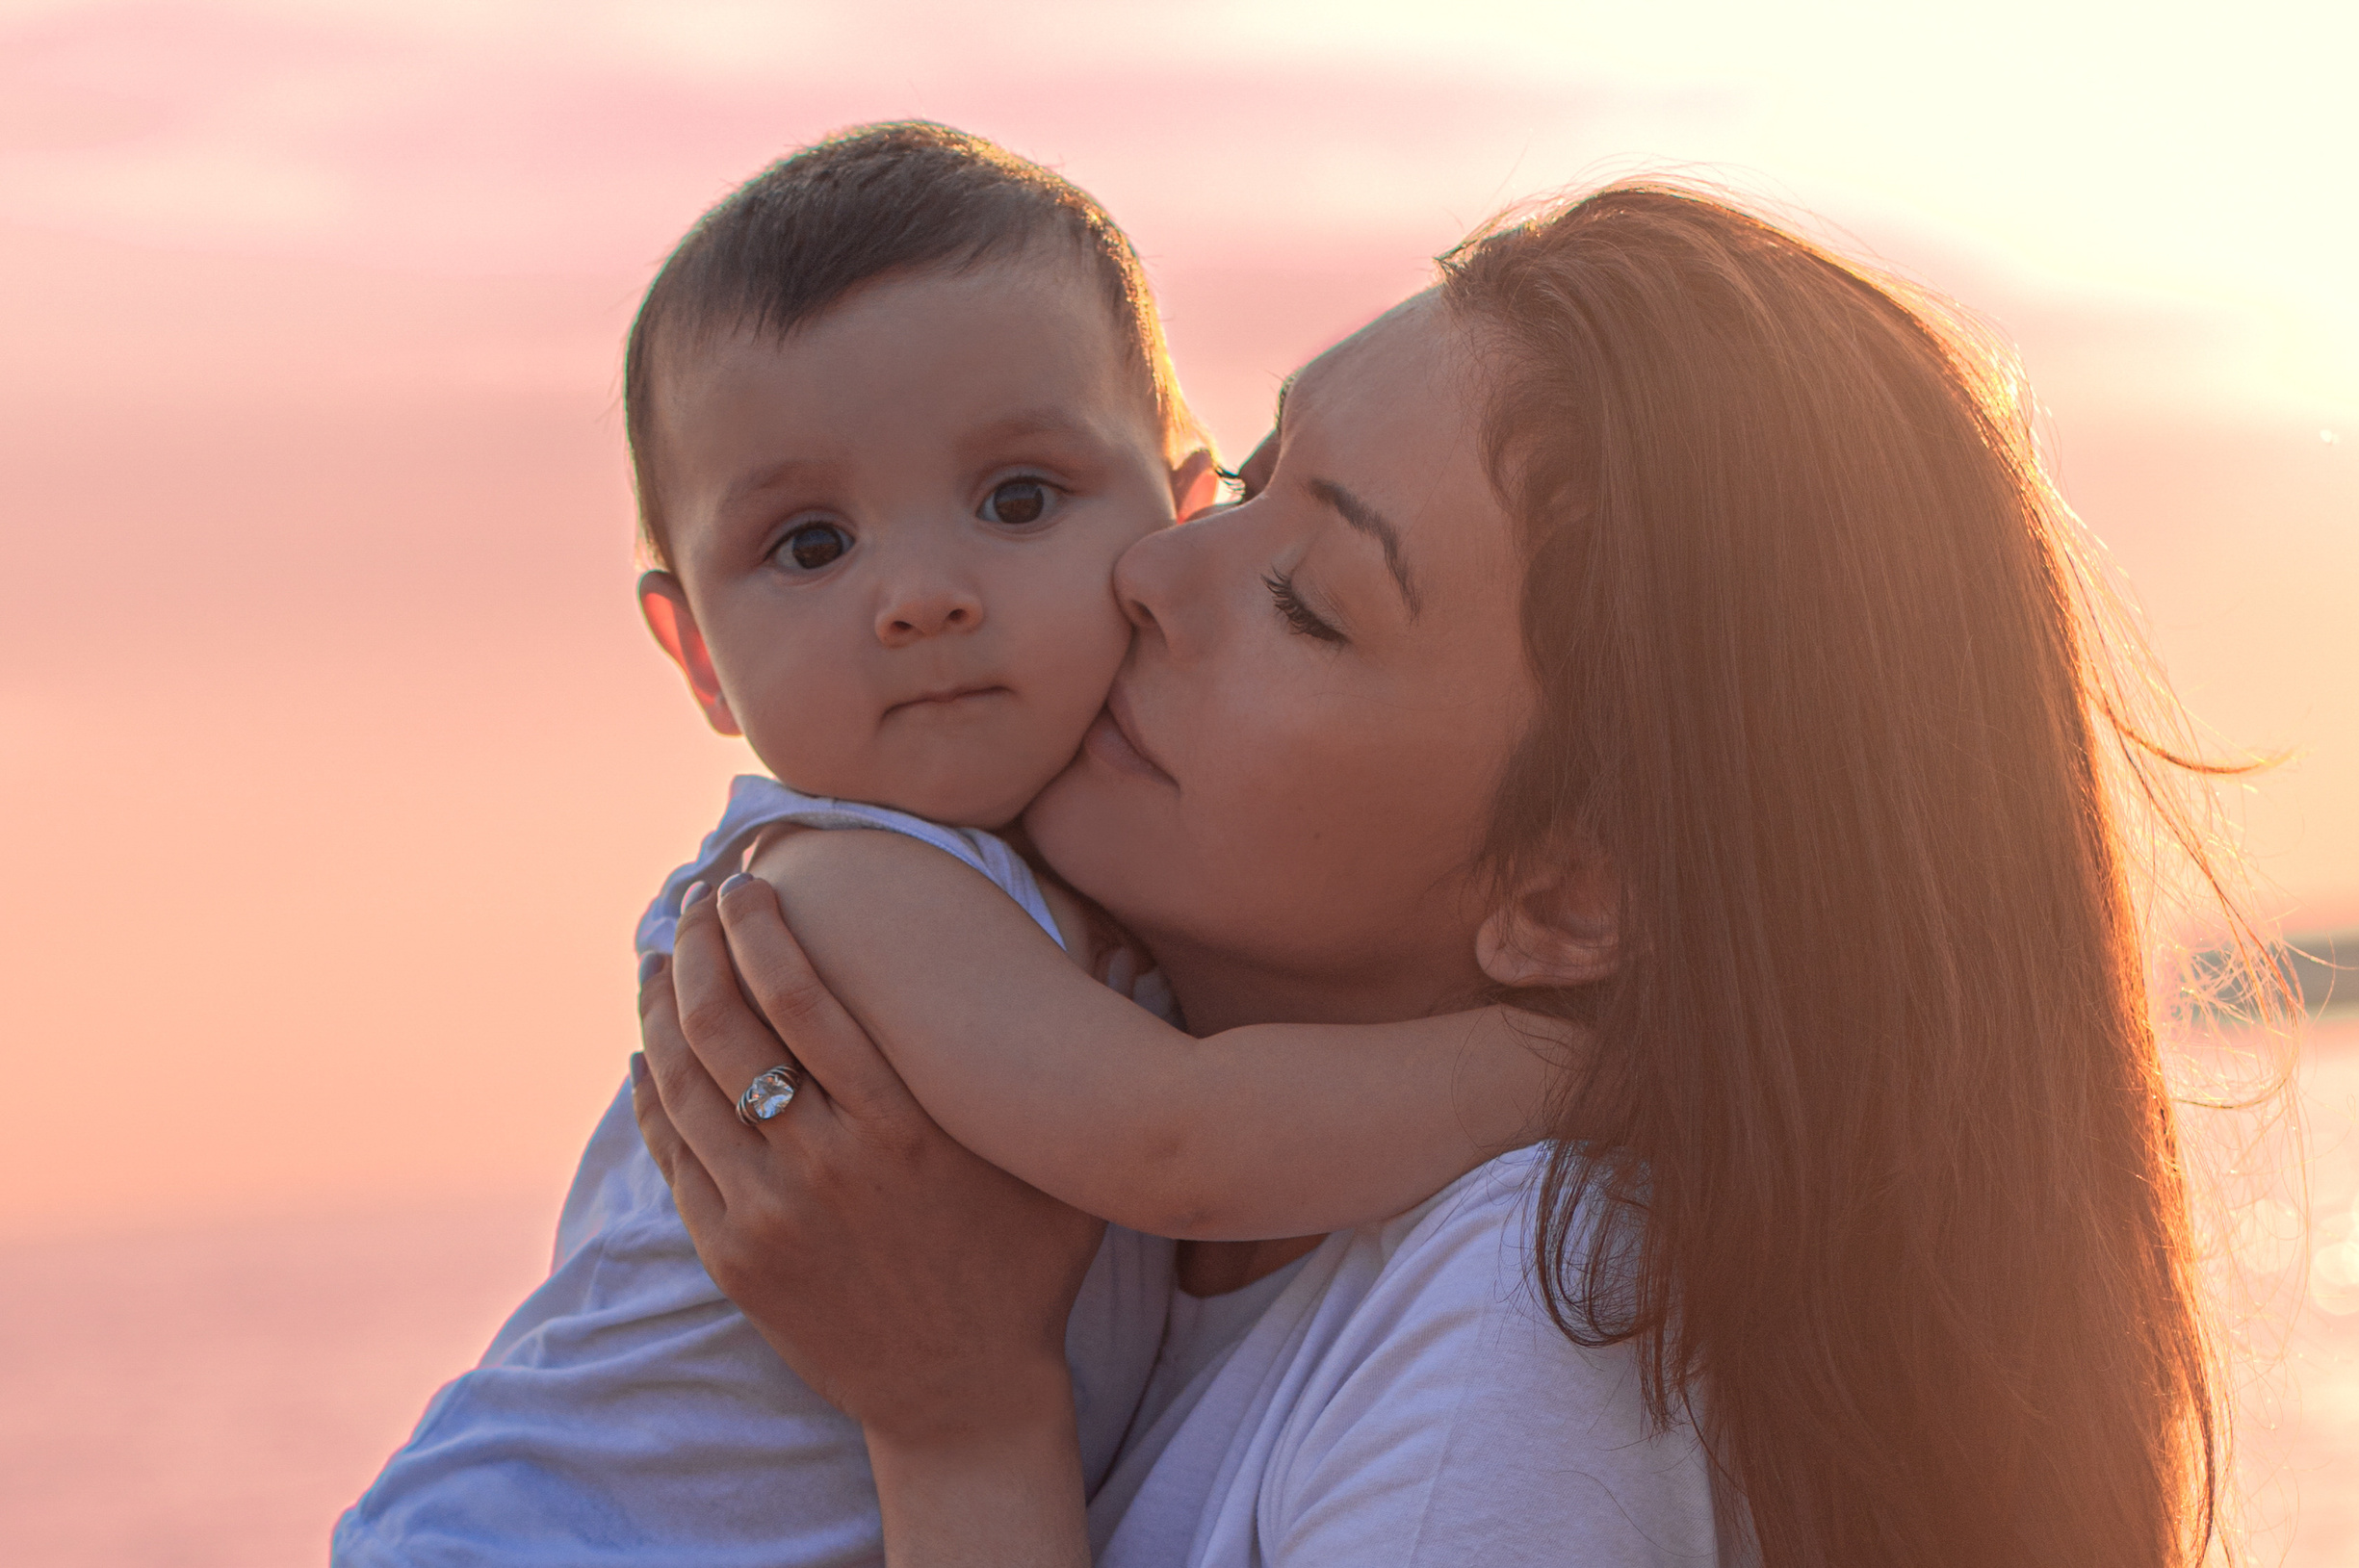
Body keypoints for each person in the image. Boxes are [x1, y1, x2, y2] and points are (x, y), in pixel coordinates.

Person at [635, 180, 2248, 1567]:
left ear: (1572, 896)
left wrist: (960, 1426)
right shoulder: (1090, 1167)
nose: (1153, 568)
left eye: (1313, 600)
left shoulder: (1524, 1321)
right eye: (1252, 479)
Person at [335, 123, 1556, 1568]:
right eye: (807, 545)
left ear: (1168, 510)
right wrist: (1585, 1062)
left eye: (1018, 500)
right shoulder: (840, 886)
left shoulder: (1506, 1315)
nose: (918, 593)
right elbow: (1178, 1139)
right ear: (698, 657)